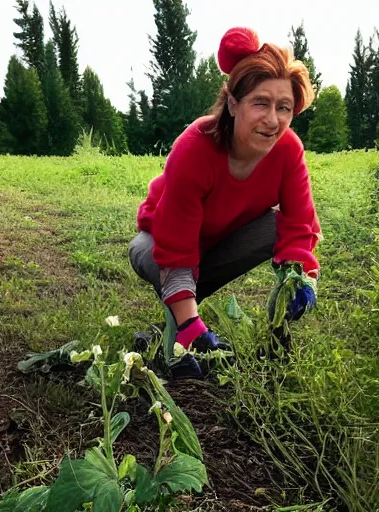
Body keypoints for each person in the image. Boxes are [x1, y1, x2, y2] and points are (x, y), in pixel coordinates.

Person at [129, 27, 322, 375]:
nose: (273, 120)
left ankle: (268, 334)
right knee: (165, 266)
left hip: (219, 244)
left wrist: (302, 277)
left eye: (284, 107)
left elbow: (299, 223)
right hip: (160, 242)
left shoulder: (288, 150)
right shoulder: (195, 148)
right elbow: (175, 248)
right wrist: (192, 330)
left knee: (277, 231)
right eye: (260, 103)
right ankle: (179, 336)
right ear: (233, 103)